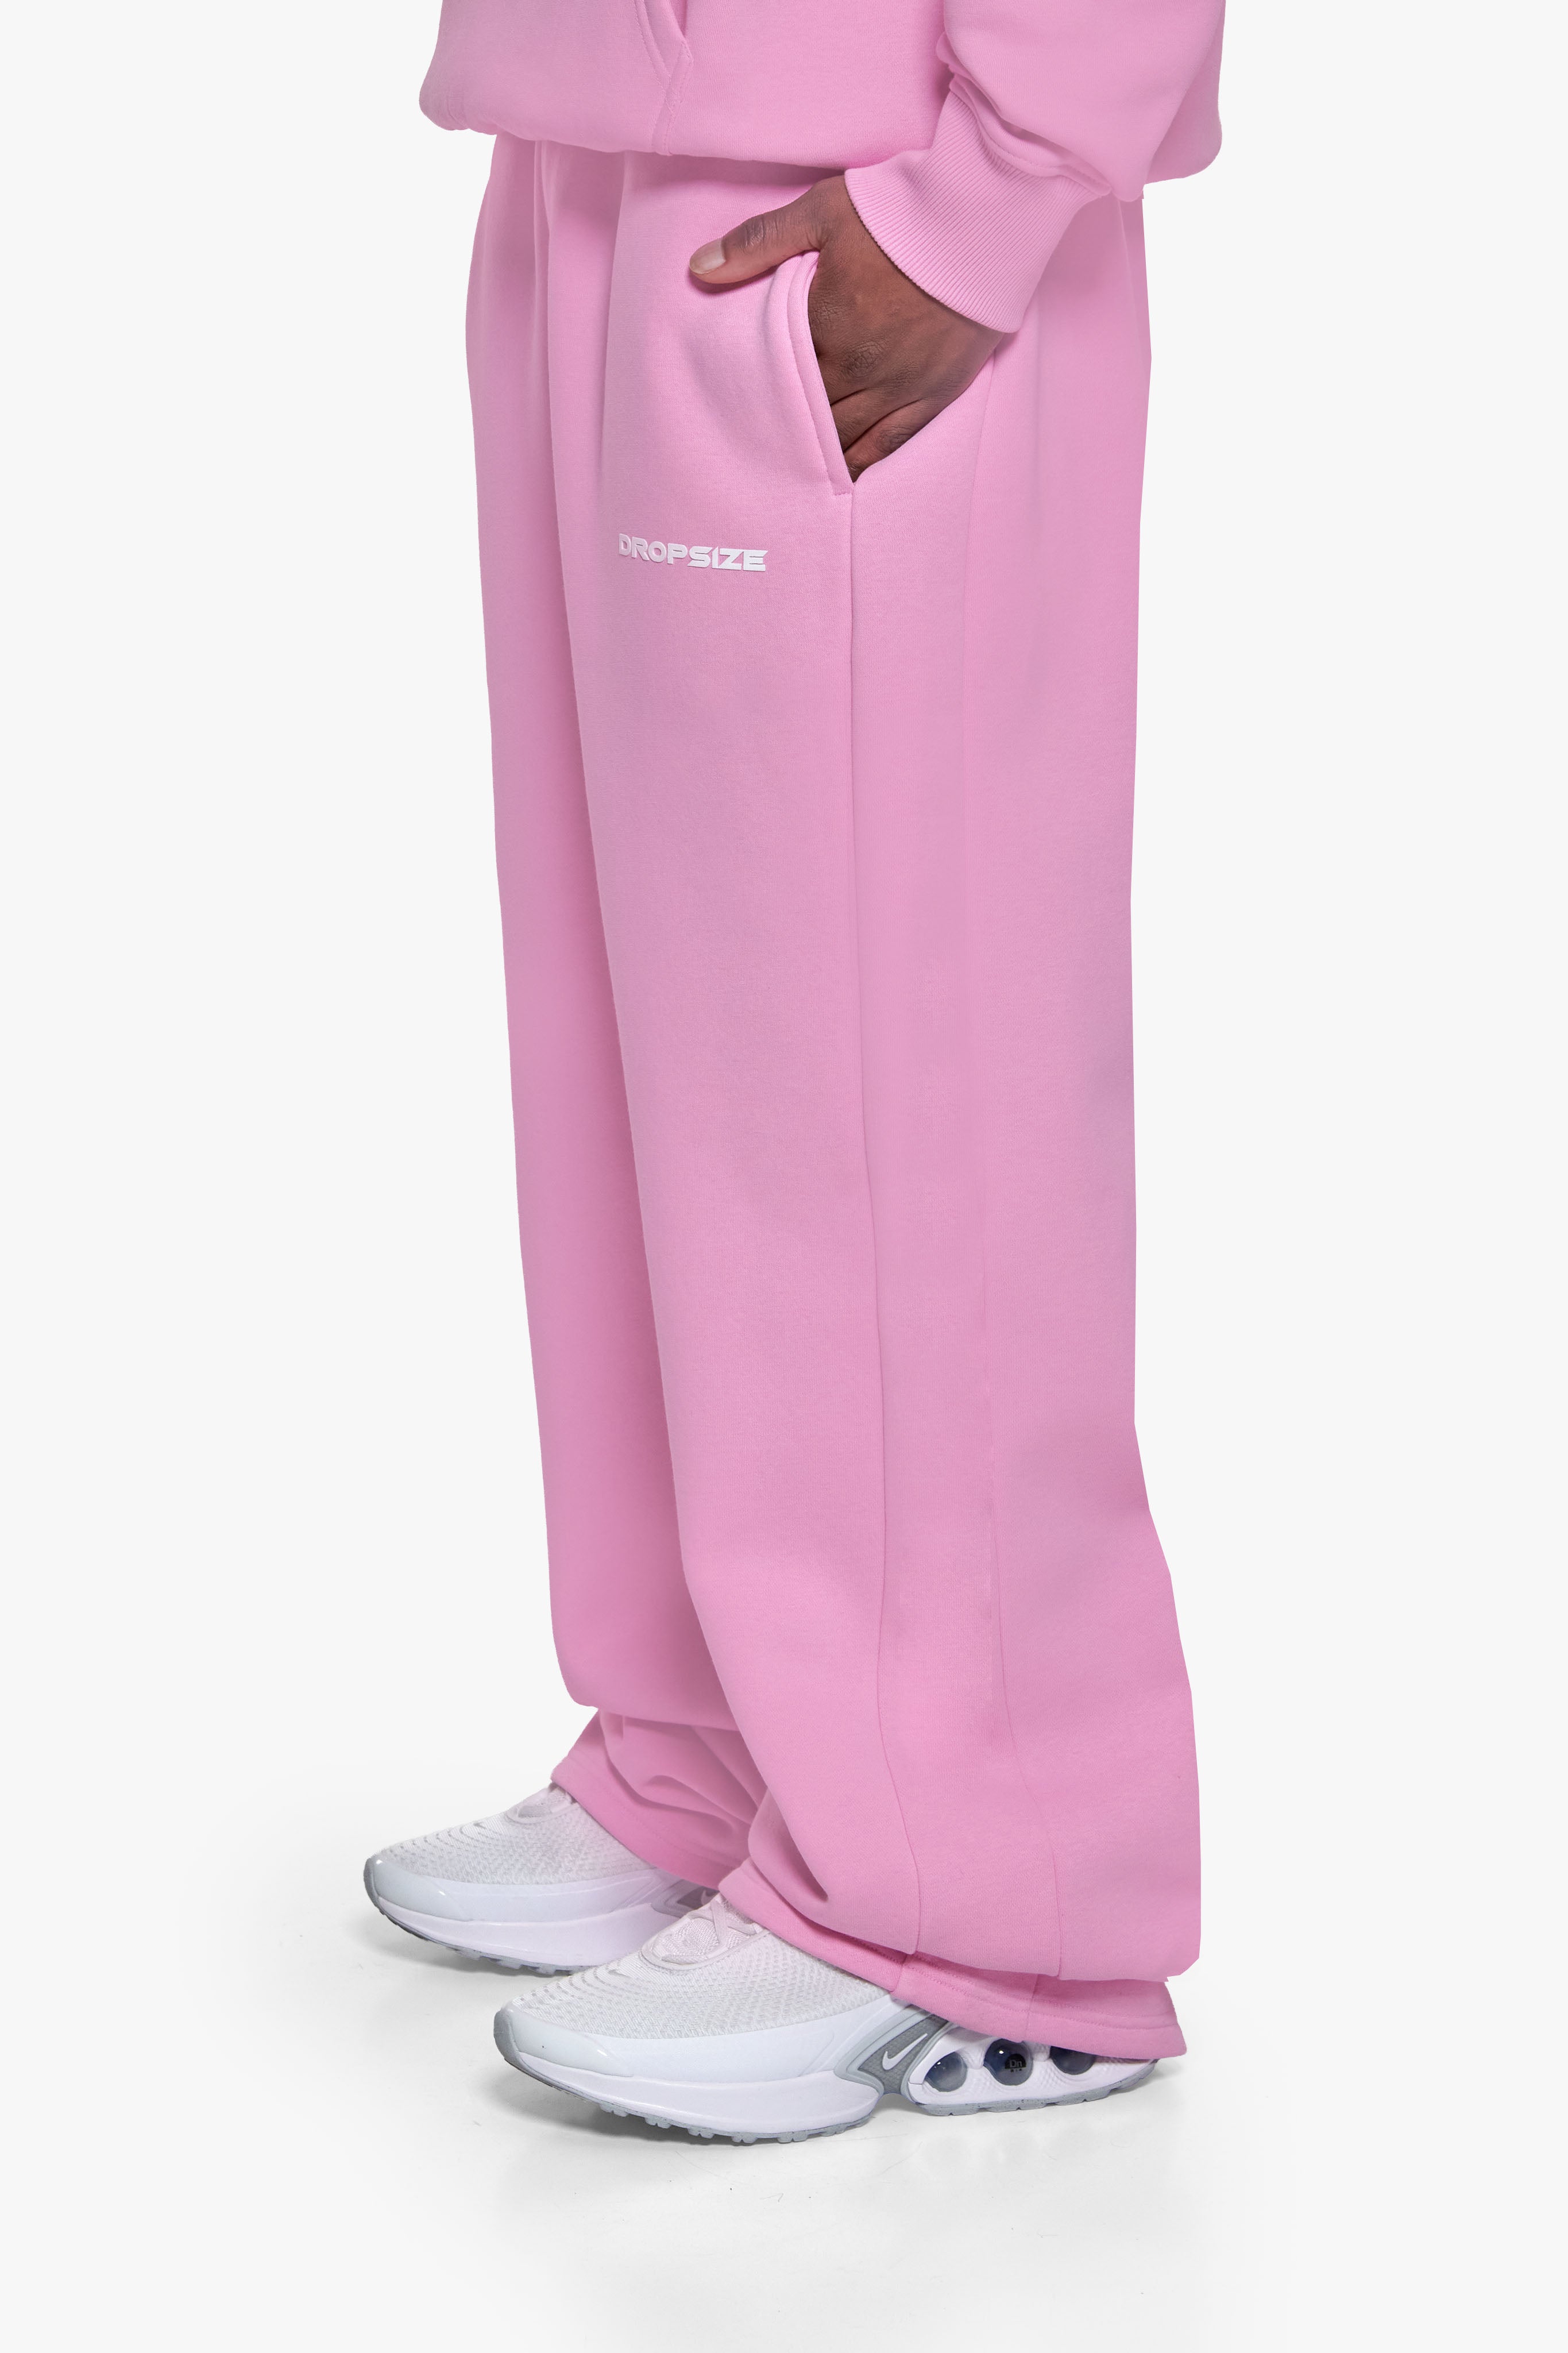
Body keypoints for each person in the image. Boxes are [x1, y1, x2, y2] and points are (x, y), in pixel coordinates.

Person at [365, 0, 1226, 2143]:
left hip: (867, 183)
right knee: (651, 1043)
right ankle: (728, 1746)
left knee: (876, 1065)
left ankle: (985, 1896)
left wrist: (991, 192)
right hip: (595, 141)